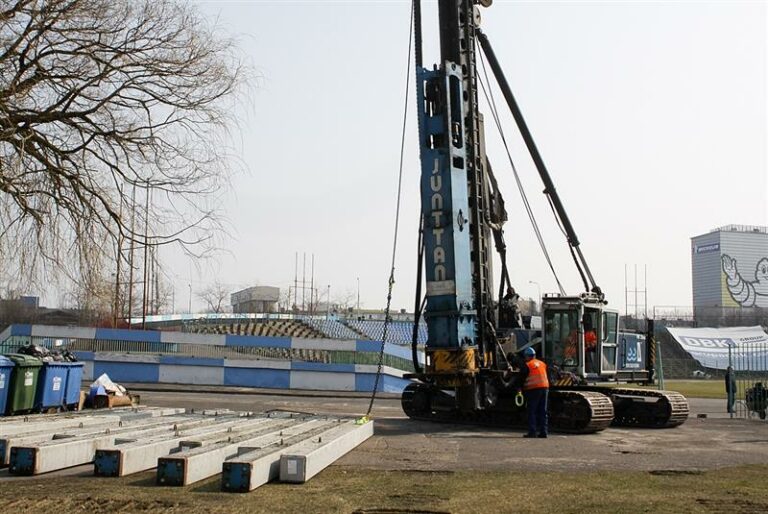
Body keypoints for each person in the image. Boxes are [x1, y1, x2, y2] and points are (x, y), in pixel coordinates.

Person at [519, 346, 549, 438]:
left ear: (527, 356)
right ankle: (544, 432)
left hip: (534, 389)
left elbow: (522, 378)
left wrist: (519, 388)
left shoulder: (527, 365)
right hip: (545, 388)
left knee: (532, 411)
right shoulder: (542, 363)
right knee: (543, 411)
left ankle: (532, 432)